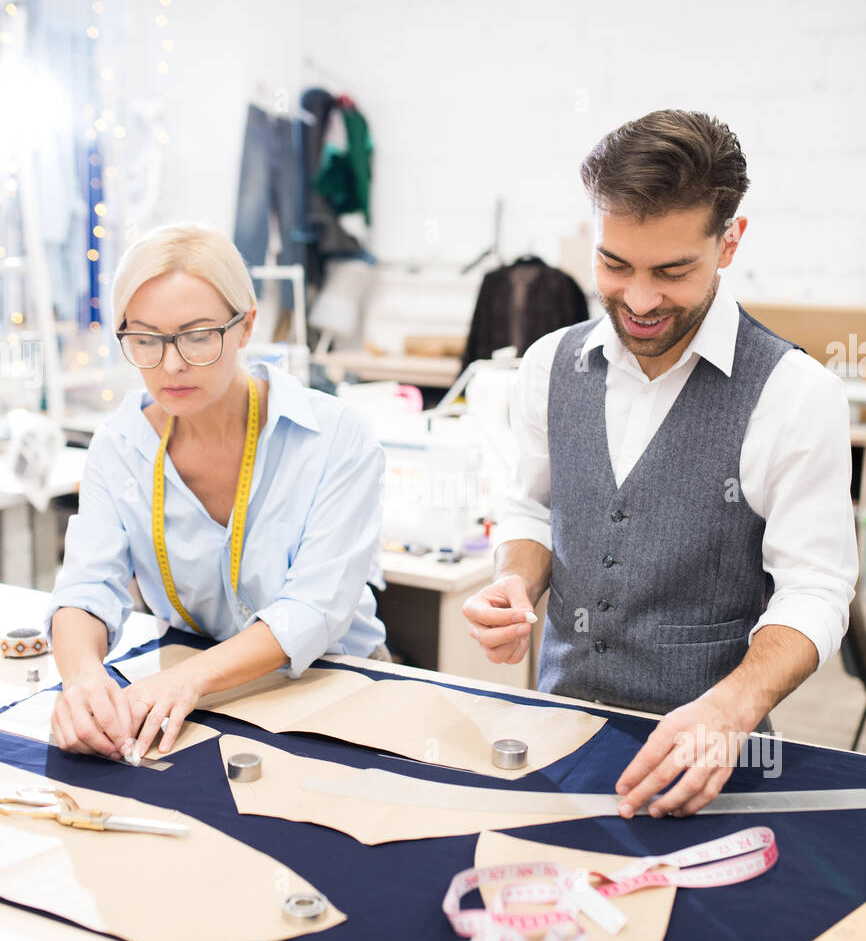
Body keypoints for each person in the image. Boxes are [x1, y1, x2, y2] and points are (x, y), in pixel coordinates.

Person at [462, 110, 858, 818]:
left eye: (673, 271)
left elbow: (817, 588)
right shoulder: (549, 364)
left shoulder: (797, 396)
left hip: (711, 772)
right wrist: (513, 583)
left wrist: (733, 707)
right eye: (615, 265)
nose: (640, 300)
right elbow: (532, 505)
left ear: (729, 241)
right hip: (558, 741)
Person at [44, 223, 386, 763]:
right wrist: (82, 679)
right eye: (145, 340)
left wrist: (190, 678)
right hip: (192, 691)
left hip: (333, 681)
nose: (171, 365)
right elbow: (86, 587)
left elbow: (315, 607)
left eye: (198, 335)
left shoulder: (336, 437)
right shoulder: (119, 445)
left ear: (246, 325)